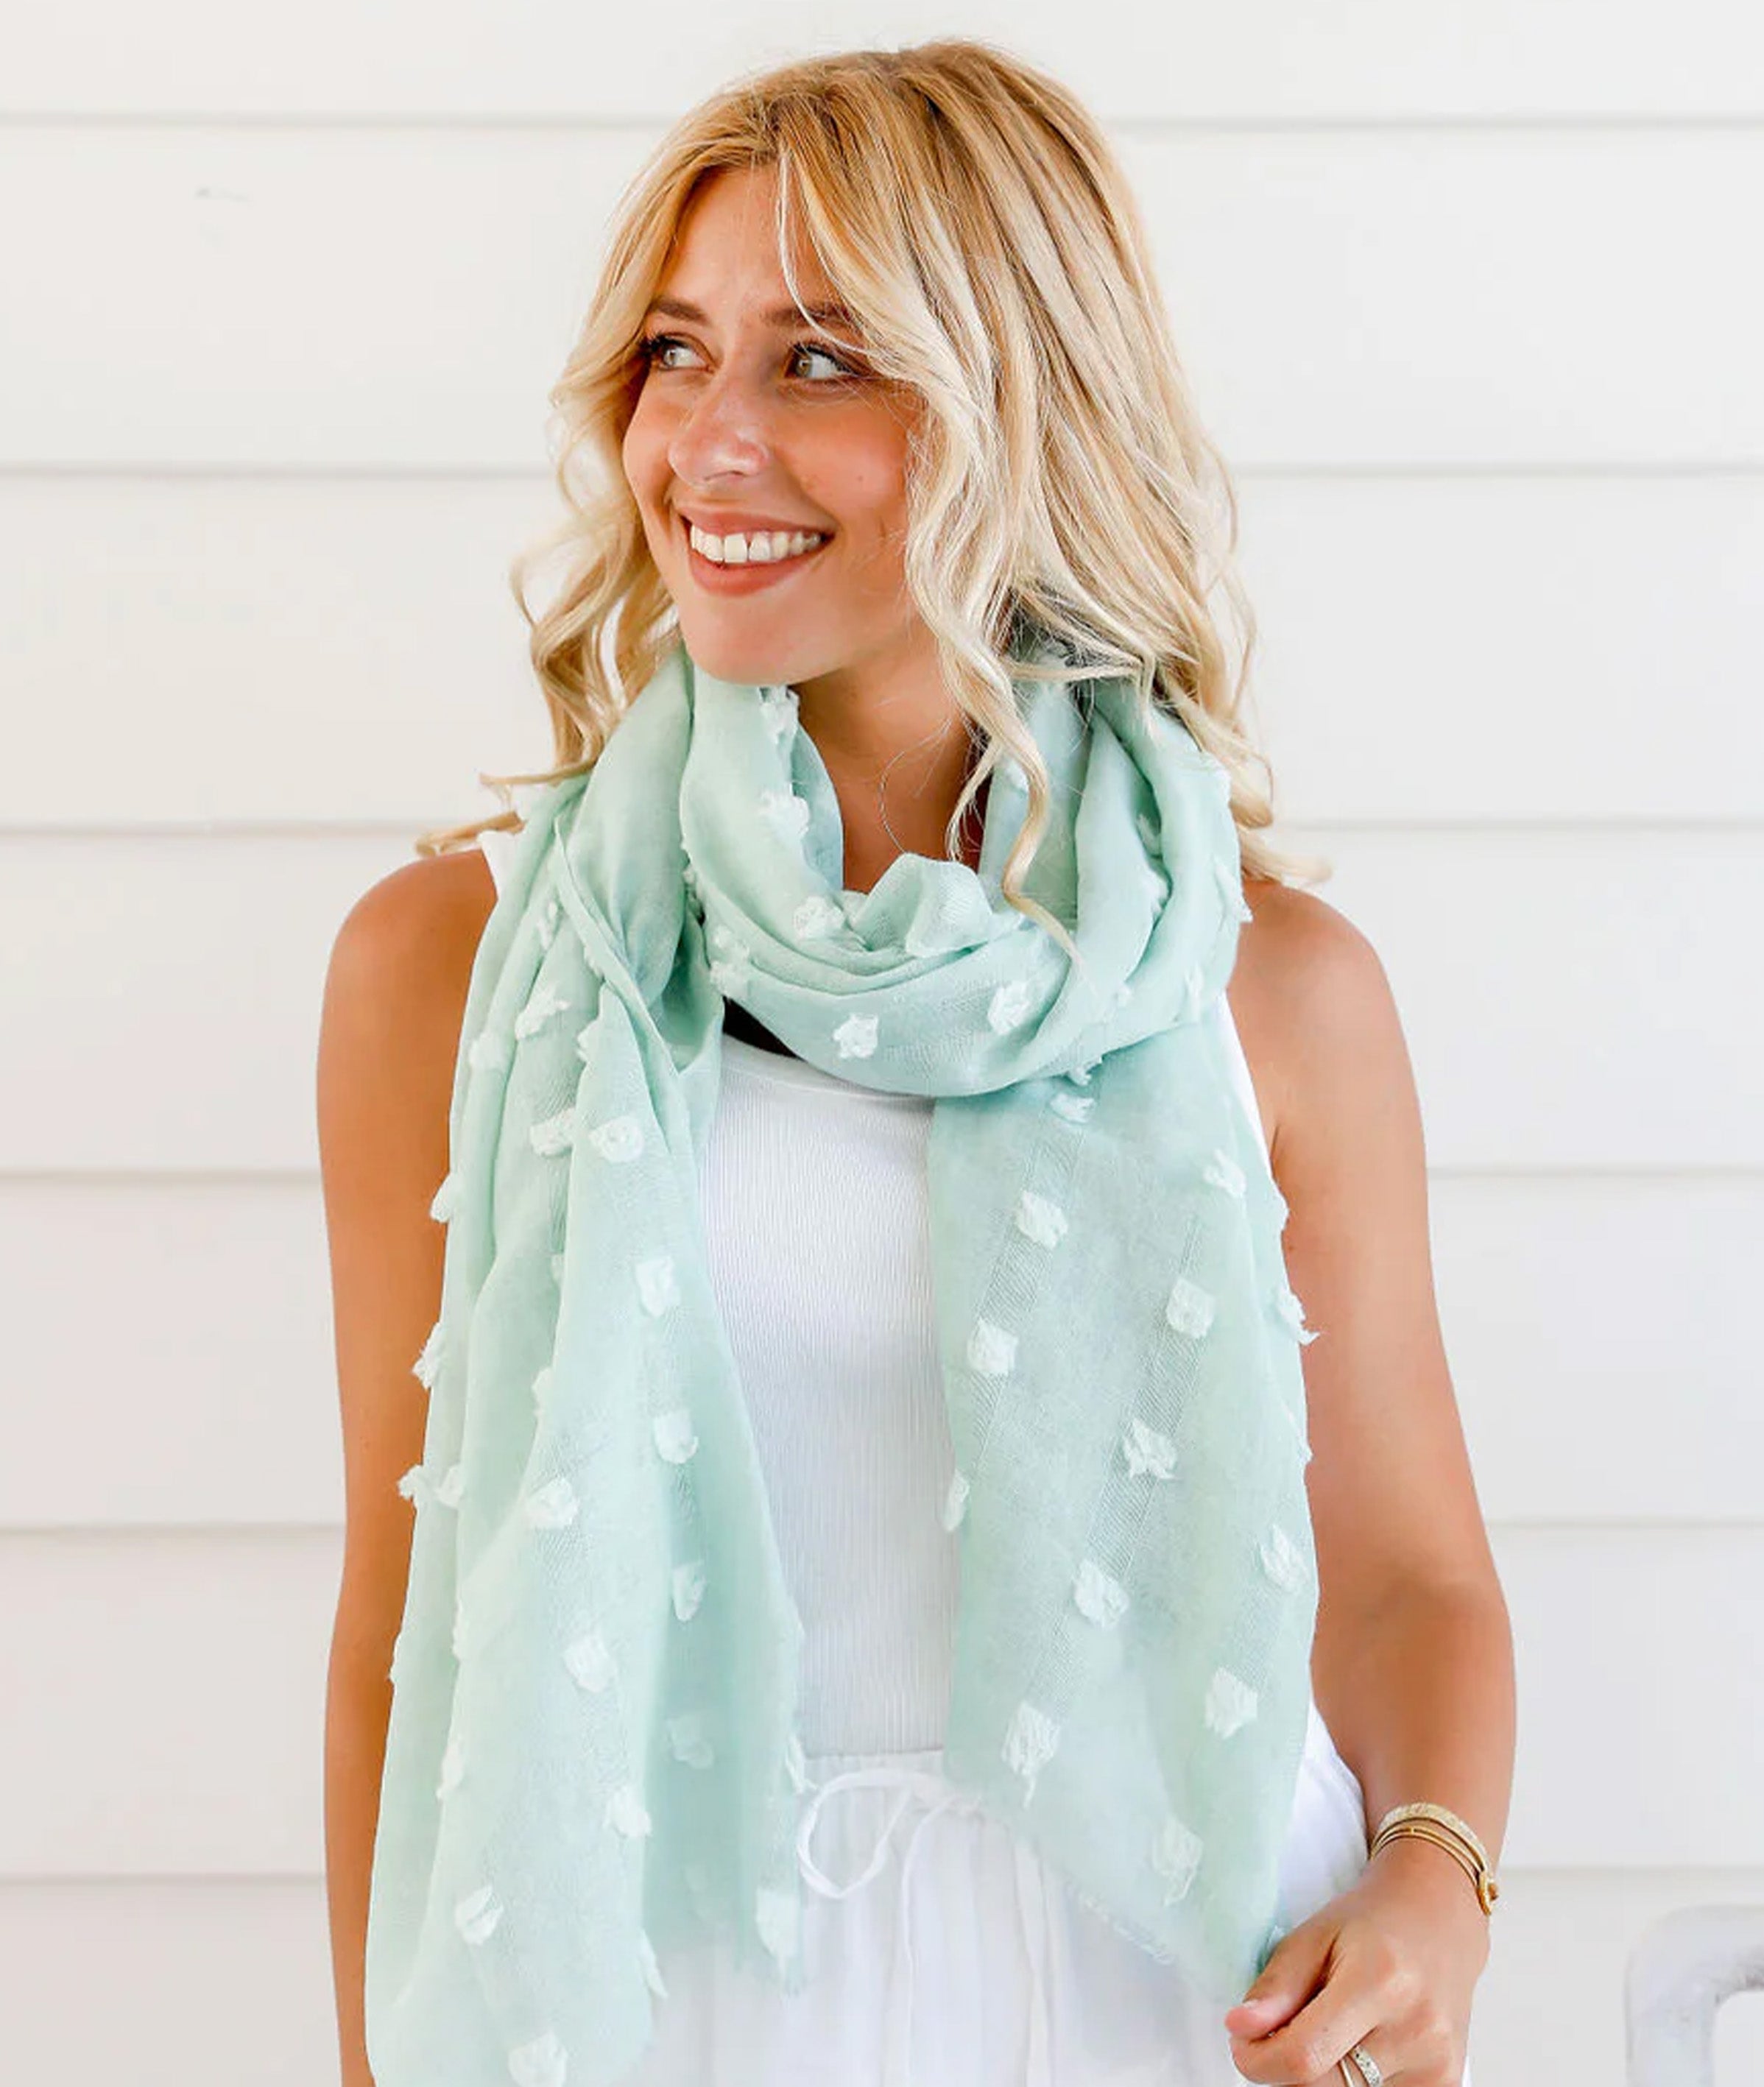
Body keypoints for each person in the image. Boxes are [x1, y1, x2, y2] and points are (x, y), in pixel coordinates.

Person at [319, 38, 1512, 2087]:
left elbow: (1411, 1577)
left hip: (1194, 1991)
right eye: (675, 353)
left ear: (1019, 407)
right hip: (692, 1992)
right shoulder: (460, 963)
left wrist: (1435, 1882)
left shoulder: (1266, 987)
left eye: (819, 362)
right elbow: (399, 1625)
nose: (707, 442)